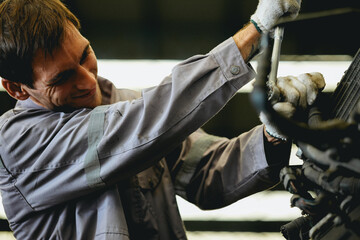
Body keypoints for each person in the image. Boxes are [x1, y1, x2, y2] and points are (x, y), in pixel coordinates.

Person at [0, 0, 324, 239]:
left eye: (85, 55)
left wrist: (273, 131)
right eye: (62, 79)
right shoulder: (17, 144)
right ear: (16, 89)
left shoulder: (124, 105)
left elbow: (208, 172)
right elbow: (144, 124)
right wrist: (254, 33)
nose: (86, 81)